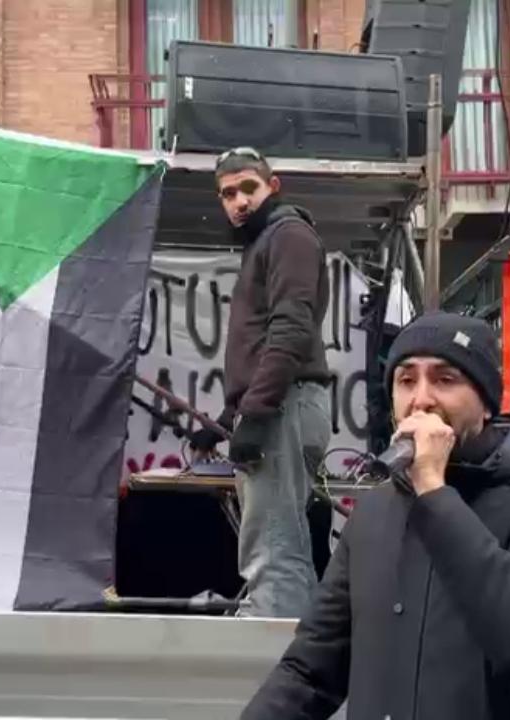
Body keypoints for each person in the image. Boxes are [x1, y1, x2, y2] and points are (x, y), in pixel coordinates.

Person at [241, 312, 510, 719]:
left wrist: (432, 487)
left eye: (445, 379)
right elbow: (311, 670)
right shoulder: (375, 512)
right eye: (406, 380)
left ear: (487, 404)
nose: (422, 399)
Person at [189, 146, 333, 619]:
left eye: (248, 188)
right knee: (283, 543)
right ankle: (301, 651)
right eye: (227, 194)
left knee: (272, 549)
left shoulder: (287, 235)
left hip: (283, 407)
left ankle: (274, 654)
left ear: (273, 187)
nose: (238, 201)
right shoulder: (272, 240)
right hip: (282, 405)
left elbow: (291, 329)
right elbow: (266, 345)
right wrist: (227, 418)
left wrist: (255, 413)